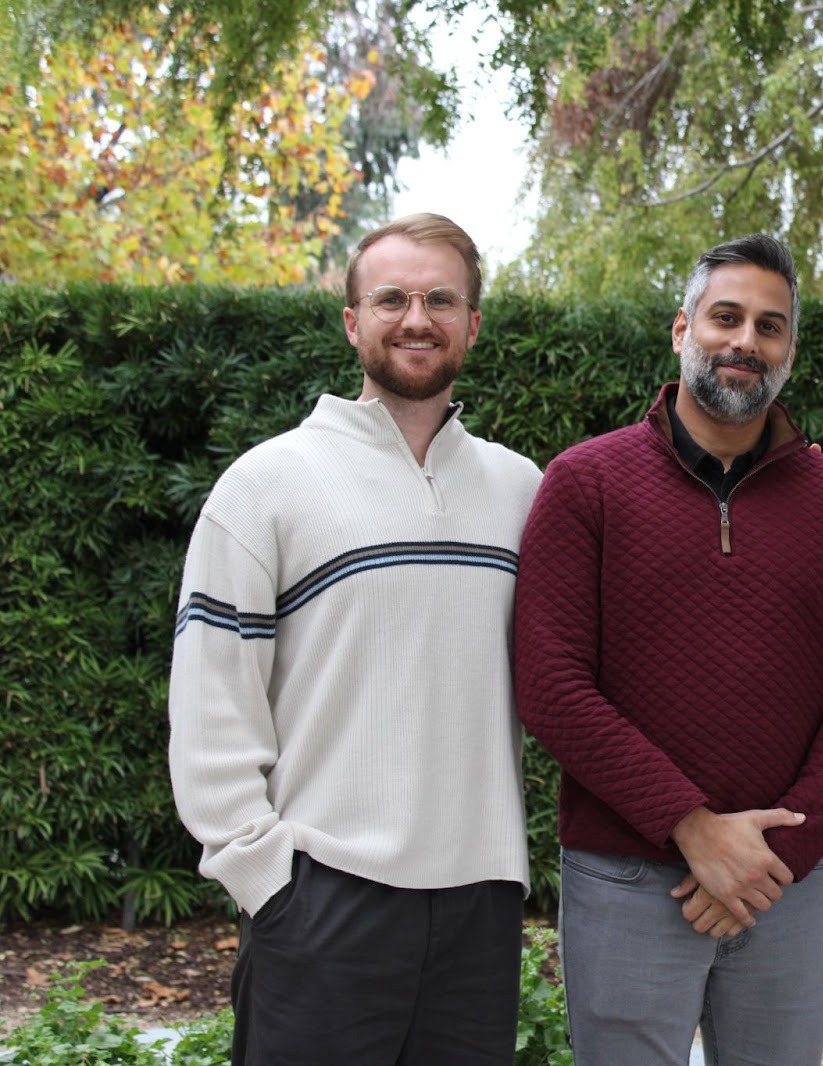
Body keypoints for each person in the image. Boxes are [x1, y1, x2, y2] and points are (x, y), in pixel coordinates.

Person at [513, 233, 823, 1065]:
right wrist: (691, 827)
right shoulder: (584, 483)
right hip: (626, 878)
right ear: (682, 329)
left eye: (770, 326)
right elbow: (550, 683)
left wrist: (775, 857)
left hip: (786, 884)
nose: (745, 341)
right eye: (726, 317)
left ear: (789, 350)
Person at [167, 213, 541, 1064]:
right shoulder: (264, 485)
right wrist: (265, 880)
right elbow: (212, 700)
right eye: (391, 298)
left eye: (441, 300)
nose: (417, 318)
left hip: (480, 910)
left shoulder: (521, 489)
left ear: (473, 324)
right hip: (320, 902)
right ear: (352, 321)